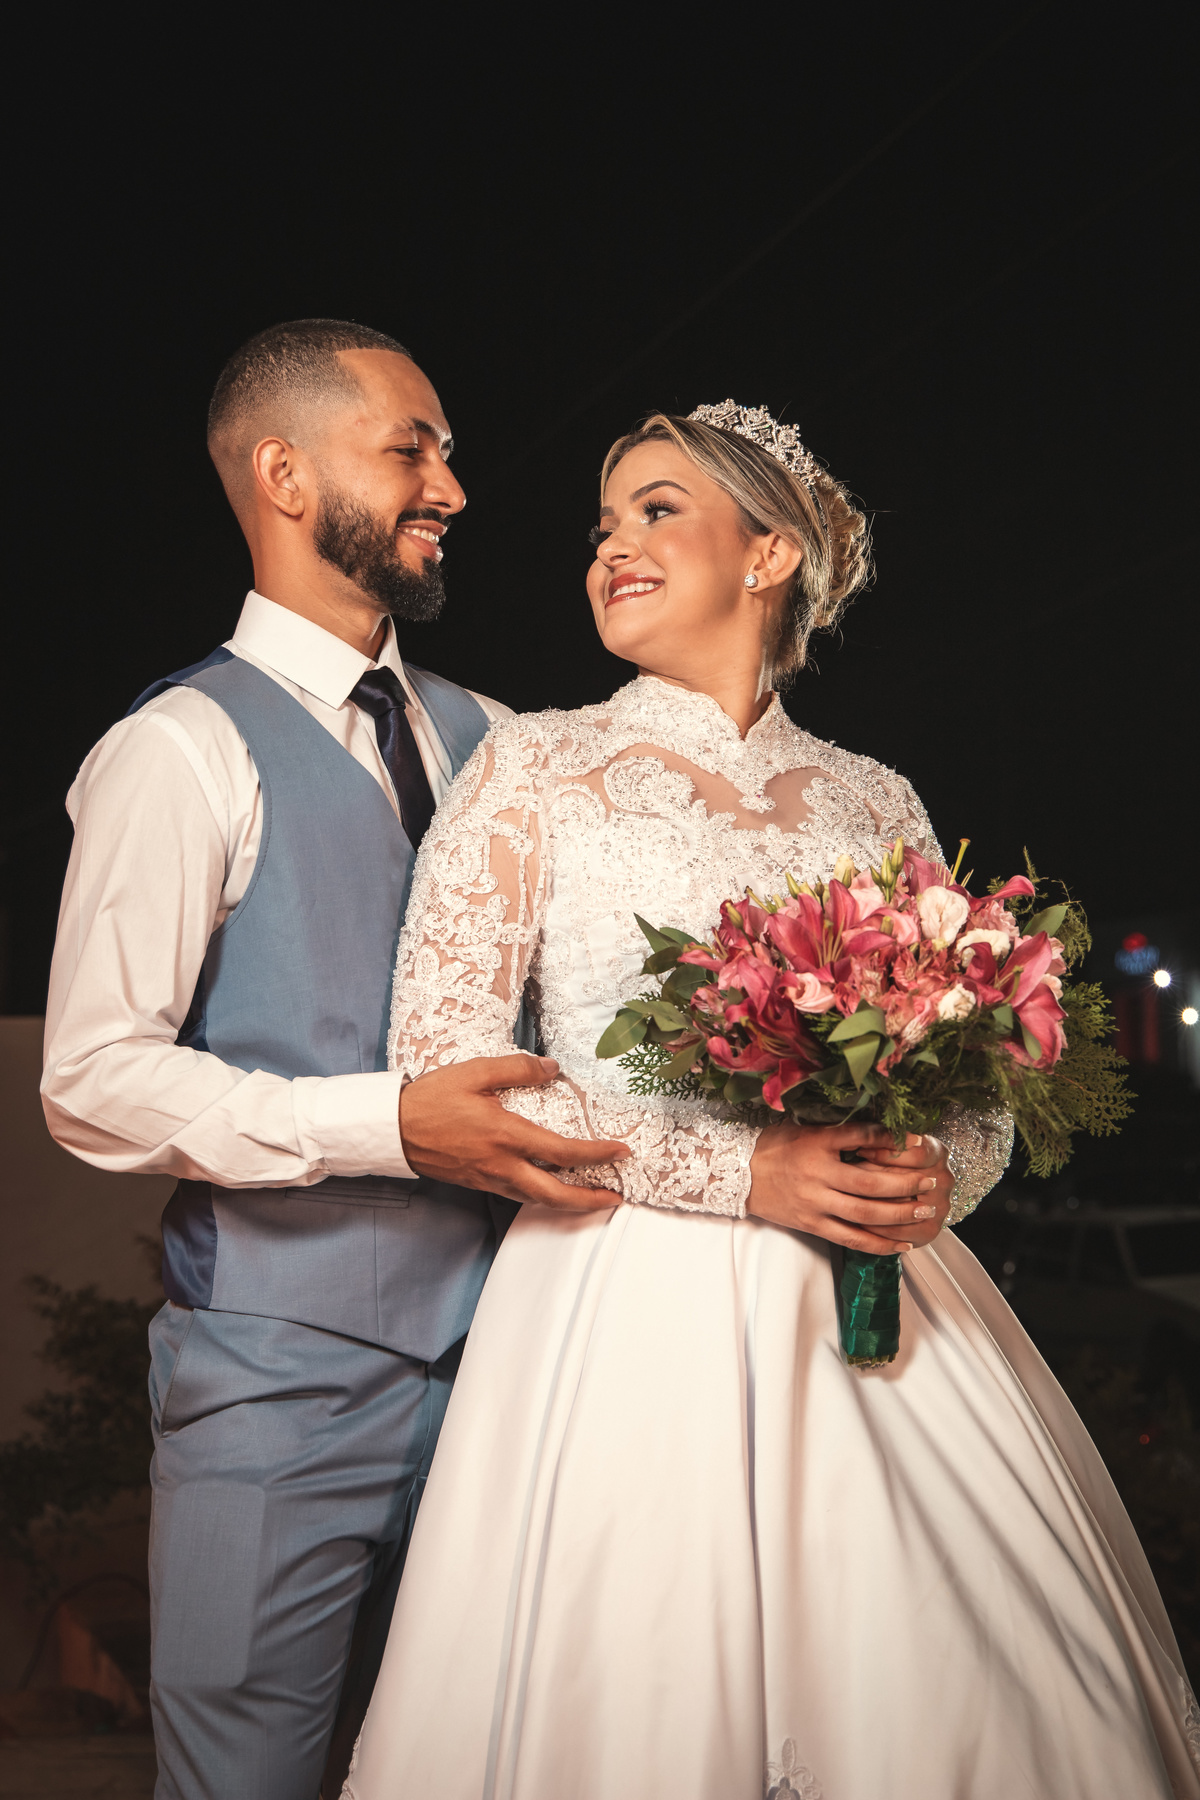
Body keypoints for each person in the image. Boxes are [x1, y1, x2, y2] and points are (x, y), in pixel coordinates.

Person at [343, 404, 1200, 1799]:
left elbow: (974, 1072)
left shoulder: (874, 798)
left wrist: (942, 1172)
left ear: (770, 554)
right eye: (603, 524)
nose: (613, 543)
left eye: (658, 509)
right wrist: (746, 1176)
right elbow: (451, 1081)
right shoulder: (535, 769)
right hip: (619, 1313)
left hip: (881, 1299)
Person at [40, 318, 637, 1800]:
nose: (452, 485)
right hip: (276, 1386)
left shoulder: (499, 738)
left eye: (446, 450)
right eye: (412, 447)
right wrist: (395, 1128)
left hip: (518, 1363)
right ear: (285, 474)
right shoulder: (178, 751)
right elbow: (92, 1079)